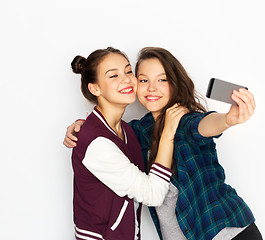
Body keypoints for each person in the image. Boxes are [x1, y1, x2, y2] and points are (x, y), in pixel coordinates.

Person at [64, 47, 262, 240]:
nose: (152, 88)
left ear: (175, 83)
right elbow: (105, 135)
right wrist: (81, 126)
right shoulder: (137, 131)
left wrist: (227, 119)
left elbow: (204, 126)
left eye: (162, 79)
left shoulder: (184, 121)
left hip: (225, 232)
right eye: (143, 80)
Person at [68, 47, 188, 240]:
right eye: (113, 76)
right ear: (95, 88)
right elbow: (153, 194)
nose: (126, 79)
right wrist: (168, 132)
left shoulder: (126, 130)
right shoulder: (96, 143)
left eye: (128, 71)